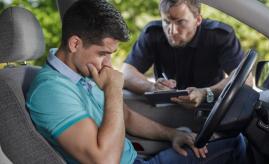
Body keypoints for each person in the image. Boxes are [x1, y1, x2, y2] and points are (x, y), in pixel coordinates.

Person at [26, 0, 247, 163]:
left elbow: (127, 116)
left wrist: (174, 134)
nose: (108, 64)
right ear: (75, 44)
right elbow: (104, 160)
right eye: (103, 53)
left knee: (232, 142)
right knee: (235, 147)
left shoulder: (82, 73)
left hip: (138, 160)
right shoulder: (51, 90)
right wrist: (114, 89)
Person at [122, 0, 252, 108]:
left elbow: (245, 79)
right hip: (167, 109)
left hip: (210, 108)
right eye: (166, 21)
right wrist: (152, 87)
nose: (172, 31)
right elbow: (126, 73)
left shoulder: (219, 35)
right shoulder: (152, 34)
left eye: (180, 22)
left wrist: (206, 93)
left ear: (198, 20)